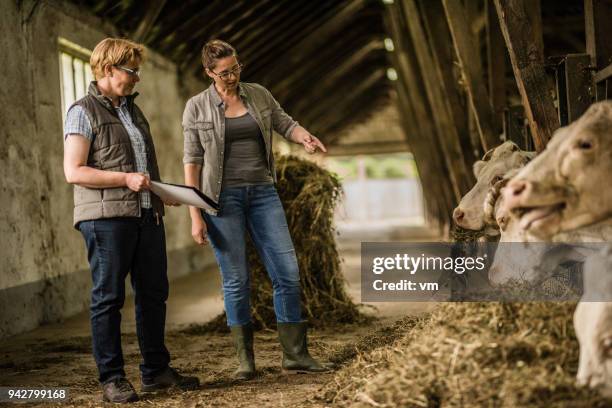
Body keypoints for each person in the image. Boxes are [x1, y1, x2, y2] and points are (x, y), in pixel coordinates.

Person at [183, 40, 329, 380]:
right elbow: (192, 161)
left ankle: (295, 354)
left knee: (288, 273)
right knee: (237, 280)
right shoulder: (196, 107)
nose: (232, 76)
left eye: (236, 68)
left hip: (263, 193)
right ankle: (245, 361)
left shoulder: (259, 95)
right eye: (224, 72)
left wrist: (304, 137)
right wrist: (194, 214)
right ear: (209, 72)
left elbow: (284, 122)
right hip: (221, 201)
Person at [63, 38, 199, 403]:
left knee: (154, 293)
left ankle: (156, 372)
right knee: (108, 298)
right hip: (106, 219)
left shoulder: (133, 112)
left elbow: (141, 168)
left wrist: (160, 192)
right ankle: (111, 378)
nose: (137, 78)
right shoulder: (83, 111)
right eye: (132, 71)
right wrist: (124, 179)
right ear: (109, 69)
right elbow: (73, 171)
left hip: (144, 212)